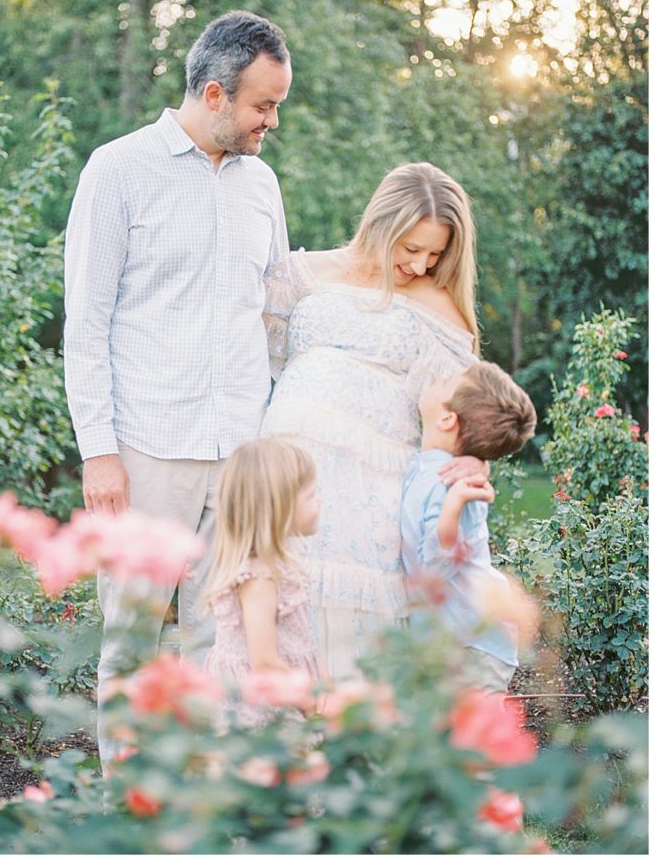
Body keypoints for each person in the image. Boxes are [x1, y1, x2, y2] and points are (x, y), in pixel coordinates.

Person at [63, 11, 292, 763]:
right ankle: (120, 818)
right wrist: (99, 452)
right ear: (217, 94)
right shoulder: (119, 170)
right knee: (129, 647)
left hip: (239, 456)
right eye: (263, 106)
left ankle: (201, 820)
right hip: (145, 448)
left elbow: (278, 313)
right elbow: (86, 323)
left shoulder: (261, 185)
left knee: (218, 643)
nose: (272, 122)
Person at [262, 162, 486, 681]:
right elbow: (250, 364)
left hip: (375, 492)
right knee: (281, 607)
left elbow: (468, 402)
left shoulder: (434, 300)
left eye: (435, 253)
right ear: (380, 224)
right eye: (410, 248)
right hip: (290, 473)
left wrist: (472, 455)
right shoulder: (305, 275)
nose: (421, 263)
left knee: (357, 625)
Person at [400, 360, 537, 692]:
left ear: (448, 419)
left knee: (471, 741)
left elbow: (435, 566)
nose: (437, 375)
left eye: (445, 378)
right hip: (457, 640)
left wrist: (453, 506)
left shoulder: (458, 484)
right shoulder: (432, 466)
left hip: (473, 645)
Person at [203, 439, 321, 725]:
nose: (319, 501)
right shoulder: (259, 580)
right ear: (278, 509)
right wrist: (314, 708)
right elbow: (265, 662)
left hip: (287, 691)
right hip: (262, 711)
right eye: (311, 495)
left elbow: (305, 640)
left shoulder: (275, 567)